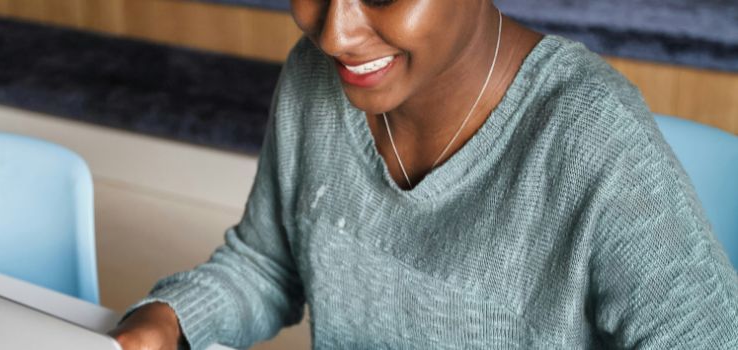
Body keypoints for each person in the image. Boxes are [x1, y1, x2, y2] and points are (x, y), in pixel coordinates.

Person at [109, 0, 738, 349]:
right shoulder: (313, 77)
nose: (336, 34)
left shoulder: (592, 136)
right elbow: (268, 264)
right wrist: (171, 320)